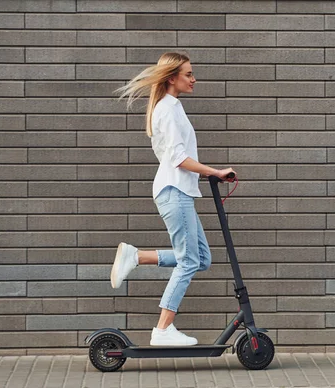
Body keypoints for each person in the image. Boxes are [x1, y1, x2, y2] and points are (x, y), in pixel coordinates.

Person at [109, 52, 235, 347]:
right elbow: (179, 158)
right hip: (174, 191)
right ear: (172, 78)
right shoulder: (169, 109)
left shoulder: (169, 108)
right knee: (189, 259)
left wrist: (206, 175)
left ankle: (136, 257)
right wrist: (214, 171)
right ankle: (163, 328)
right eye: (189, 74)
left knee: (201, 258)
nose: (194, 79)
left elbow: (174, 156)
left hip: (179, 191)